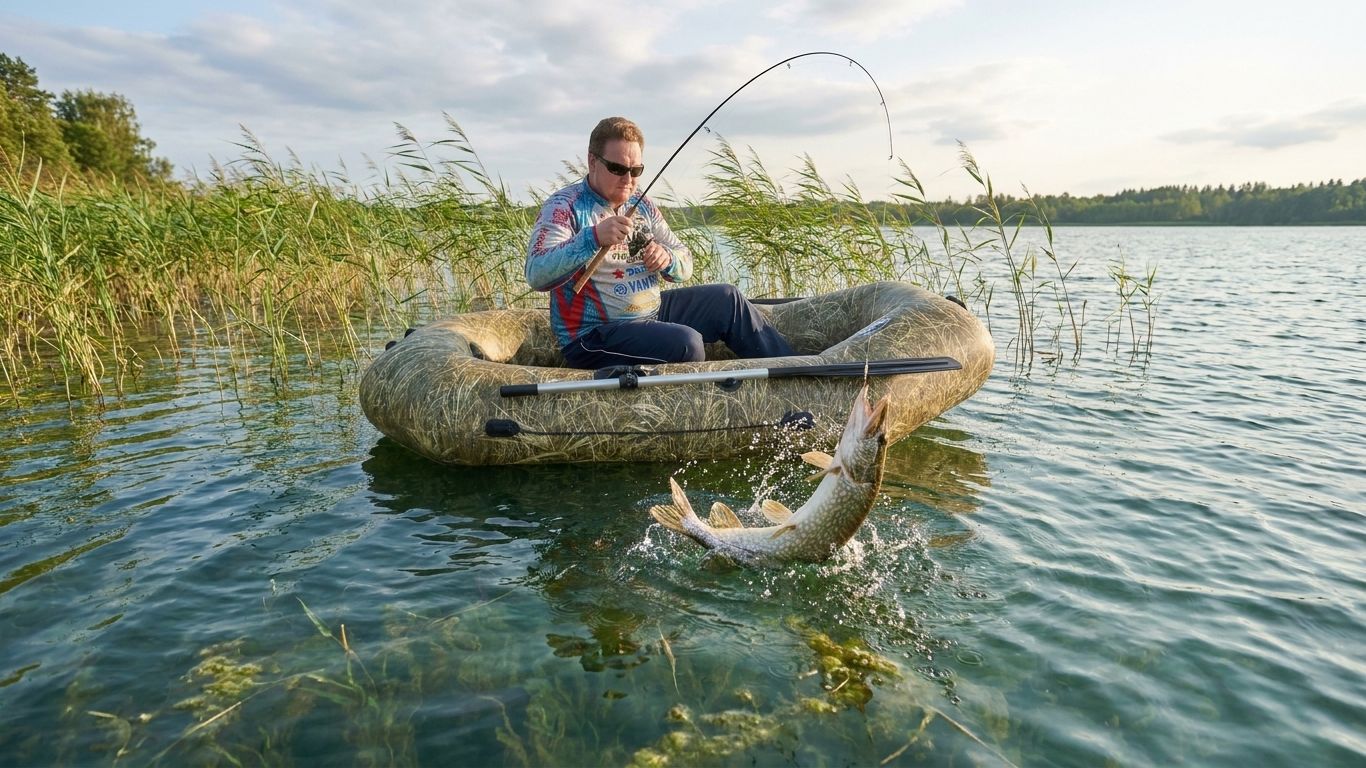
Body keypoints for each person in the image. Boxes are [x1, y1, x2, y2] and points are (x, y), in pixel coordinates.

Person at [525, 116, 795, 370]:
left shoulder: (642, 204)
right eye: (618, 168)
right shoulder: (563, 207)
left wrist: (667, 259)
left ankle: (798, 373)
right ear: (592, 162)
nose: (628, 180)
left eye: (636, 170)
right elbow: (536, 272)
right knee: (686, 343)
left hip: (652, 313)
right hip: (593, 335)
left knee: (727, 299)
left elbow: (684, 261)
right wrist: (592, 237)